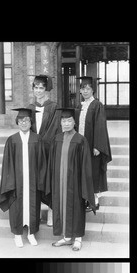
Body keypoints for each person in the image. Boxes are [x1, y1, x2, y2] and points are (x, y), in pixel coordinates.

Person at [45, 108, 96, 251]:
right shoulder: (56, 138)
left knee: (76, 208)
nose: (66, 123)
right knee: (61, 207)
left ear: (74, 122)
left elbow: (86, 165)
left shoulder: (80, 140)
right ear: (60, 123)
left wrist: (83, 183)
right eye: (63, 121)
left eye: (69, 121)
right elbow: (51, 162)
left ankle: (78, 238)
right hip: (59, 182)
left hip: (75, 182)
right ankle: (67, 237)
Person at [0, 108, 47, 248]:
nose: (23, 123)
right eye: (21, 121)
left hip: (32, 181)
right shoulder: (12, 140)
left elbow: (42, 162)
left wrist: (41, 179)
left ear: (31, 122)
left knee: (33, 205)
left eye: (26, 120)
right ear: (17, 122)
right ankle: (17, 235)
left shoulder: (37, 139)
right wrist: (10, 181)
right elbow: (7, 164)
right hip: (17, 182)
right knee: (16, 206)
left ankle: (31, 233)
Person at [27, 74, 61, 226]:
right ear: (33, 89)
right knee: (35, 180)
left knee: (49, 180)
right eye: (36, 88)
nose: (39, 91)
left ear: (46, 89)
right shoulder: (30, 108)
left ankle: (51, 213)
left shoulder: (53, 106)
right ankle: (36, 213)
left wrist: (42, 143)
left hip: (48, 150)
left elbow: (54, 127)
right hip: (33, 150)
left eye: (41, 88)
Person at [75, 76, 112, 210]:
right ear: (80, 91)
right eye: (83, 89)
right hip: (81, 145)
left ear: (93, 90)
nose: (85, 91)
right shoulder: (80, 105)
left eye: (88, 89)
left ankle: (95, 201)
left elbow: (100, 126)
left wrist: (97, 145)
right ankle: (85, 198)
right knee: (84, 171)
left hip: (92, 146)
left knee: (94, 172)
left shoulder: (97, 105)